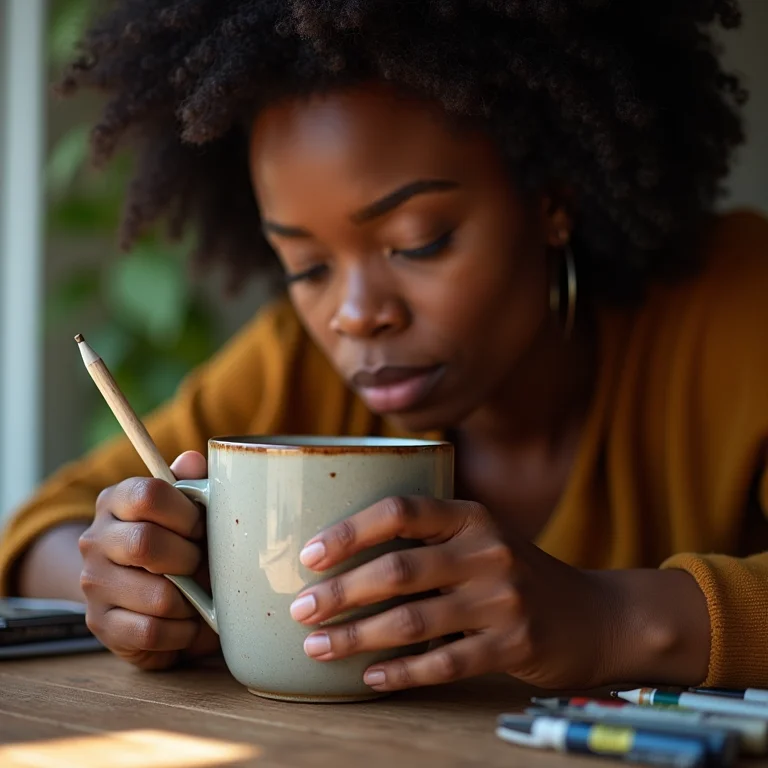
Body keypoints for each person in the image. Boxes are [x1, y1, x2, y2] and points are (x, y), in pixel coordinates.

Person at [2, 0, 767, 693]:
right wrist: (133, 584)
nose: (356, 316)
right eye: (307, 268)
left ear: (552, 201)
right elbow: (39, 530)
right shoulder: (295, 364)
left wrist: (610, 619)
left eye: (419, 242)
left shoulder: (737, 307)